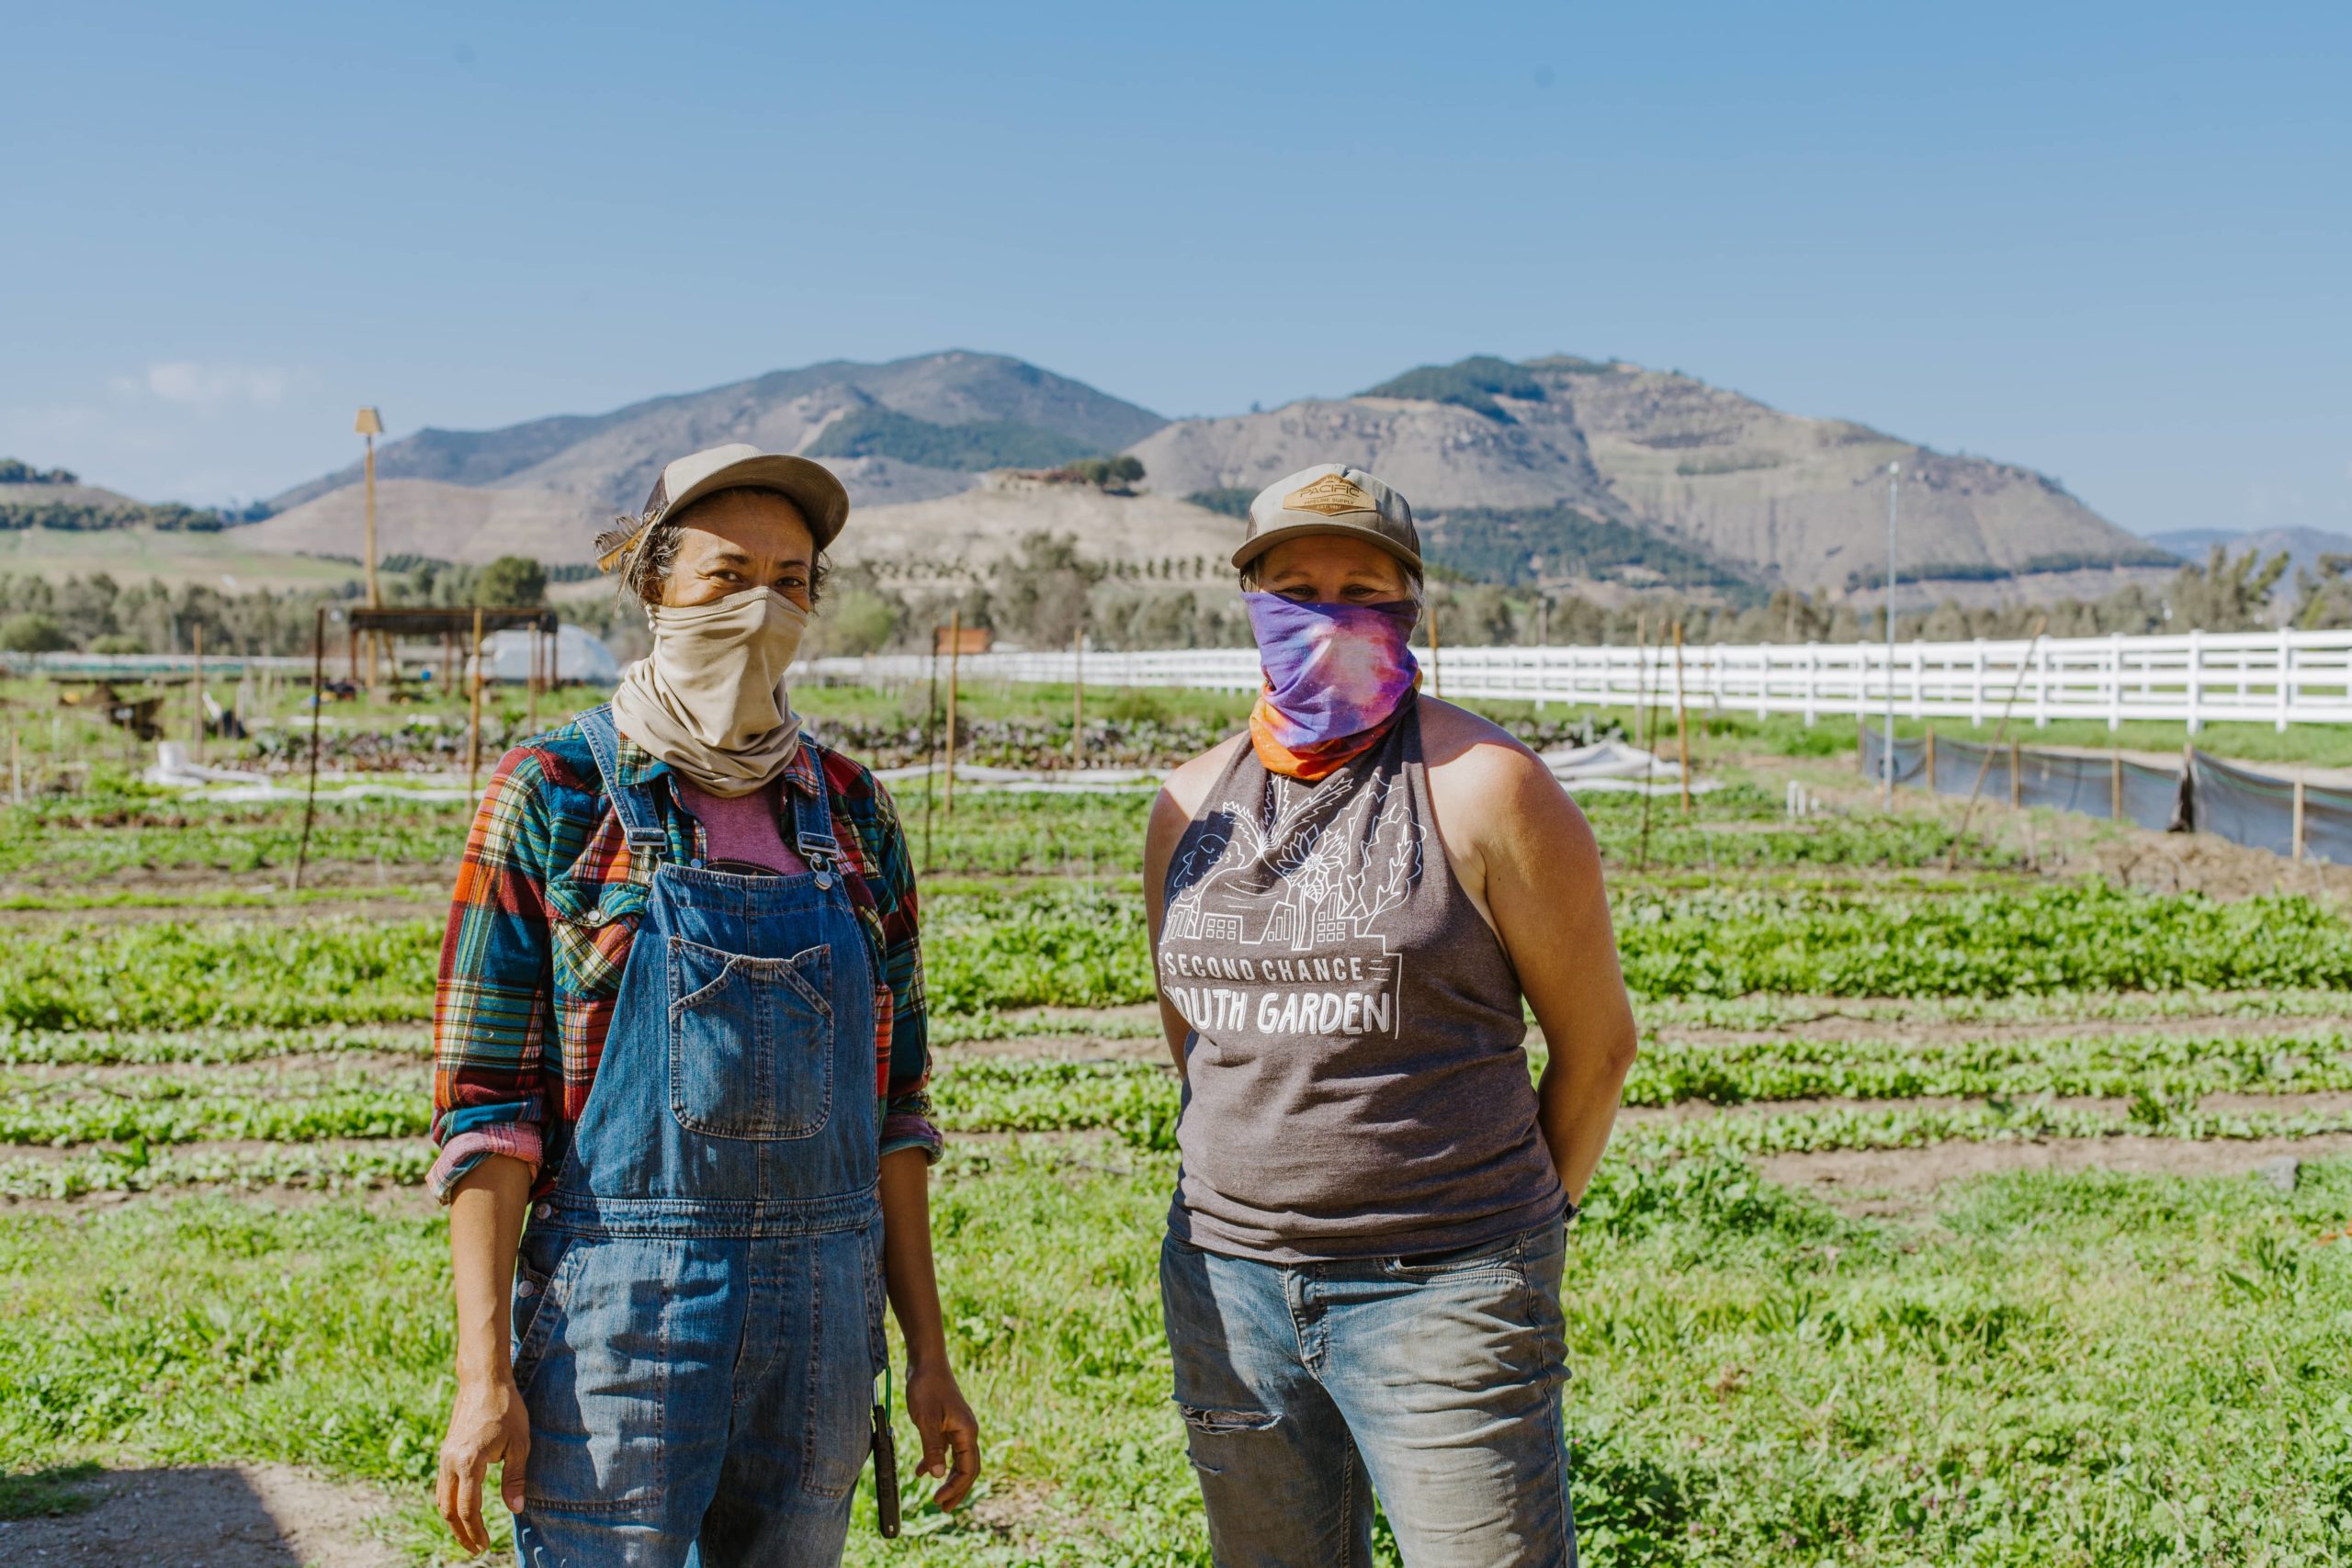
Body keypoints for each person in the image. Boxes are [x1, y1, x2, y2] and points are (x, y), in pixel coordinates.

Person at [430, 444, 979, 1566]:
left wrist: (927, 1354)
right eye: (727, 577)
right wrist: (483, 1379)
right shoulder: (557, 791)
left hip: (823, 1328)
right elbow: (486, 1111)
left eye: (791, 581)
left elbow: (899, 1111)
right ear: (654, 589)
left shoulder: (852, 807)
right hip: (620, 1328)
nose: (762, 607)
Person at [1143, 464, 1639, 1567]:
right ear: (1251, 602)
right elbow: (1201, 1042)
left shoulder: (1487, 786)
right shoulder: (1187, 804)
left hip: (1445, 1287)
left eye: (1360, 588)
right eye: (1293, 587)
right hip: (1229, 1284)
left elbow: (1598, 1049)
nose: (1326, 615)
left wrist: (1510, 1229)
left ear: (1409, 607)